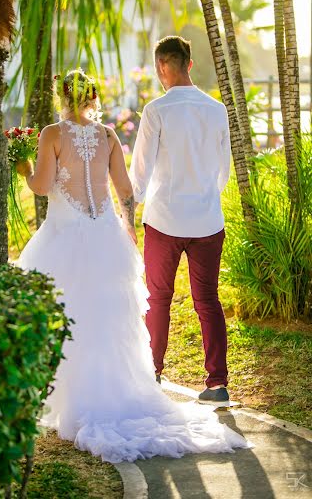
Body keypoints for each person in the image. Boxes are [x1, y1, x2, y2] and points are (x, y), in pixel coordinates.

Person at [16, 68, 251, 463]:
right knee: (108, 318)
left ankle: (69, 398)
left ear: (61, 96)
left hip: (64, 236)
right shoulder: (107, 135)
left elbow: (41, 187)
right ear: (91, 96)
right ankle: (115, 392)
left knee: (66, 314)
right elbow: (124, 190)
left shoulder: (51, 134)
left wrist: (24, 168)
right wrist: (128, 226)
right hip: (104, 235)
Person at [130, 35, 231, 405]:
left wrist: (130, 211)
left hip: (165, 221)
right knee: (207, 299)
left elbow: (140, 172)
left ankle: (152, 375)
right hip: (207, 220)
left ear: (161, 67)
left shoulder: (156, 110)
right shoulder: (215, 109)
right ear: (189, 64)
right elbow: (224, 172)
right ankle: (217, 383)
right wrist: (204, 194)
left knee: (158, 298)